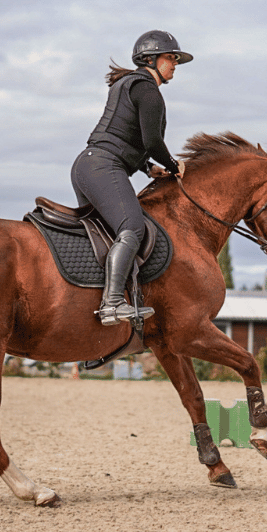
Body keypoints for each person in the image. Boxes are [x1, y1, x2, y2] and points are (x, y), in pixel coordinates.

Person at [70, 30, 193, 326]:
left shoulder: (130, 85)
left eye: (175, 59)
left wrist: (148, 168)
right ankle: (112, 304)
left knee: (105, 238)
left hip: (88, 166)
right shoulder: (148, 90)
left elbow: (124, 137)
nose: (174, 64)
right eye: (170, 57)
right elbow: (151, 139)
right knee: (133, 228)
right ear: (150, 59)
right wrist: (174, 165)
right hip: (103, 167)